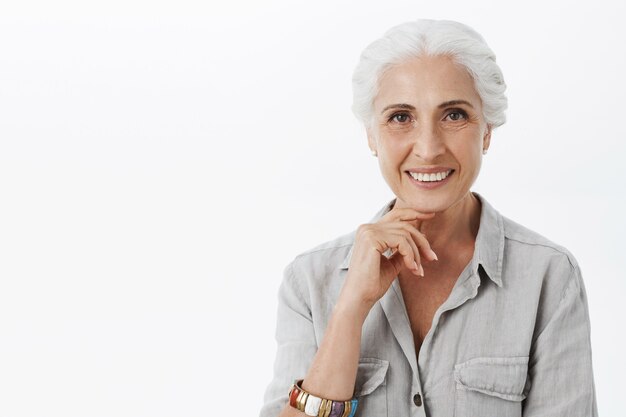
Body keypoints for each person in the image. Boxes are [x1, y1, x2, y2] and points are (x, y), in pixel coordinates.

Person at [259, 19, 597, 417]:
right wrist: (351, 307)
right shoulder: (309, 281)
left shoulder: (549, 277)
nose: (428, 148)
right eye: (401, 117)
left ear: (486, 130)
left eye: (454, 115)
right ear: (372, 135)